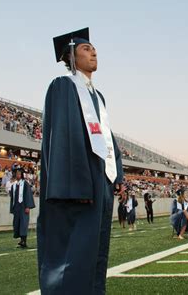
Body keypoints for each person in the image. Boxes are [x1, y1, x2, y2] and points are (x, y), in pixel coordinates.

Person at [37, 27, 124, 294]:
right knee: (73, 250)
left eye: (94, 48)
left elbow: (107, 138)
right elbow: (65, 134)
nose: (93, 51)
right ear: (71, 57)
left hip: (100, 180)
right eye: (86, 48)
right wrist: (77, 182)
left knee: (95, 249)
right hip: (78, 183)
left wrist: (116, 172)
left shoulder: (97, 95)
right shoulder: (63, 85)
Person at [10, 167, 35, 248]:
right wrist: (12, 208)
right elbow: (12, 198)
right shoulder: (13, 185)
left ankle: (24, 242)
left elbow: (28, 195)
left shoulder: (25, 184)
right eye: (16, 173)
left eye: (19, 174)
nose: (17, 175)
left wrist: (28, 206)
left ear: (21, 175)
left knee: (23, 224)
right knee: (17, 223)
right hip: (17, 207)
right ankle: (21, 241)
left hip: (24, 206)